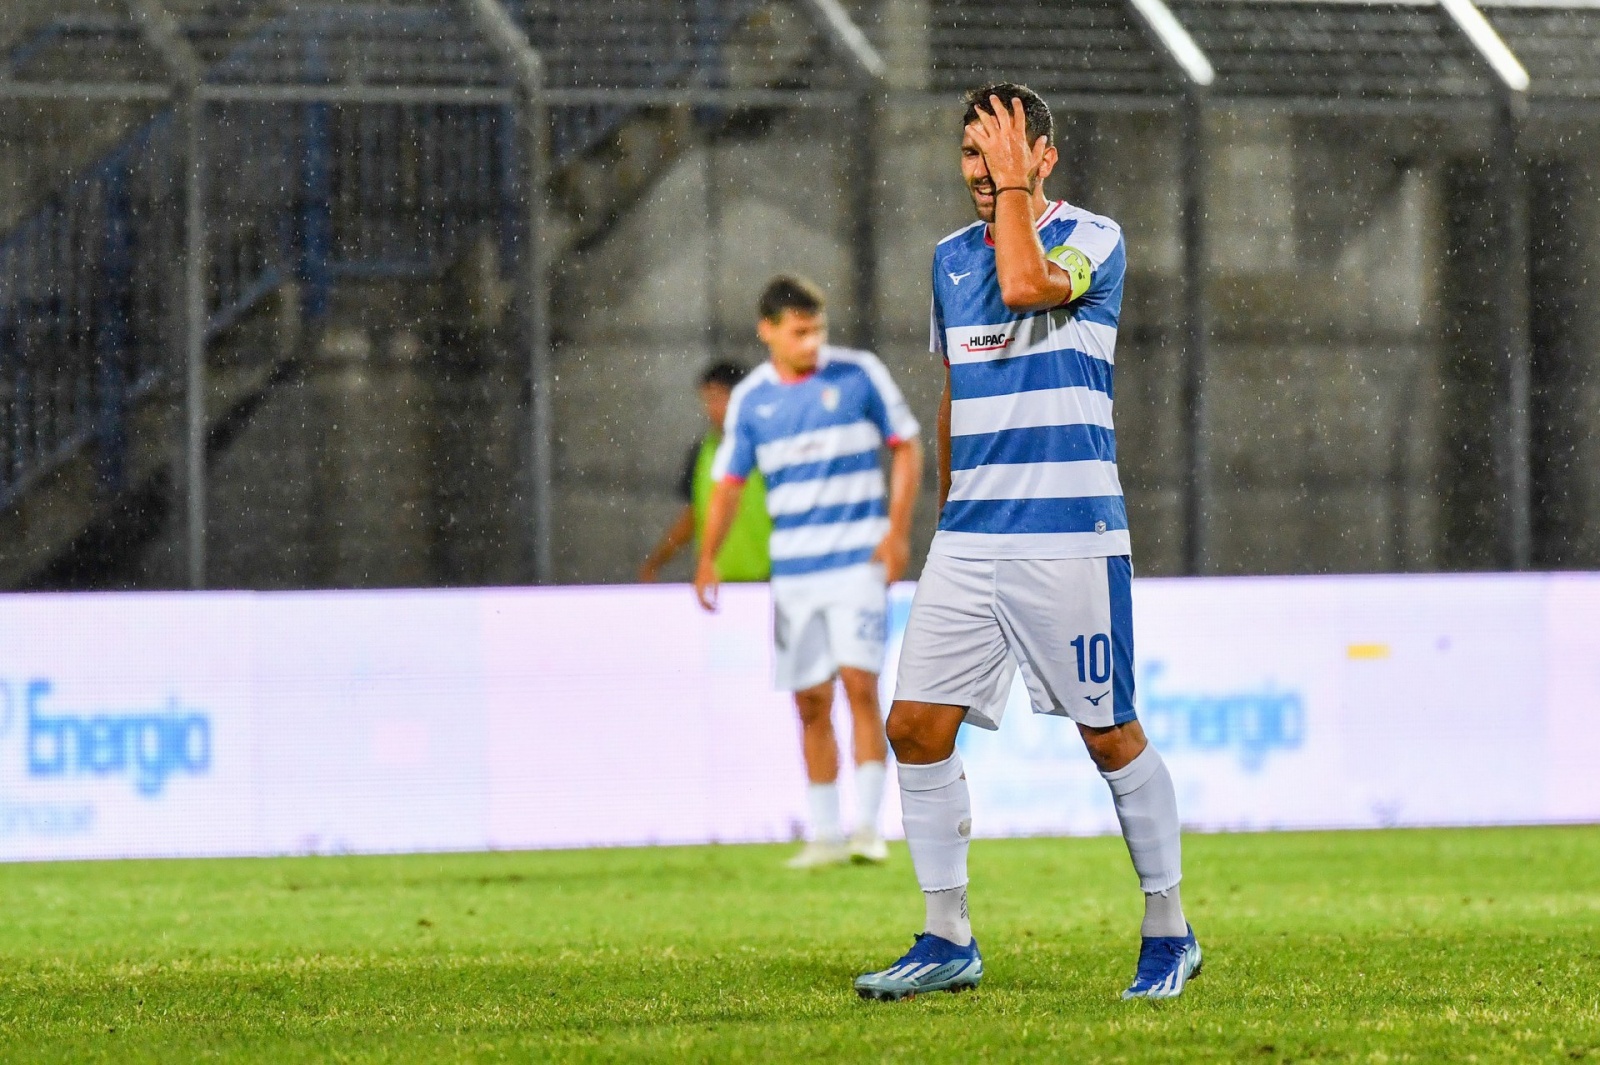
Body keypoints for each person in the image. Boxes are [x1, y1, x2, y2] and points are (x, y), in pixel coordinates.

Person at [853, 84, 1200, 1002]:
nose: (981, 171)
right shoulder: (945, 259)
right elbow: (955, 388)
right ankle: (946, 935)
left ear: (1042, 156)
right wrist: (948, 509)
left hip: (1070, 535)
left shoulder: (1094, 236)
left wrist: (1013, 196)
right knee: (914, 727)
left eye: (1000, 152)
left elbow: (1025, 285)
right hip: (971, 536)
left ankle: (1169, 926)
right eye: (970, 154)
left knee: (1110, 735)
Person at [694, 276, 923, 869]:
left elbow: (906, 443)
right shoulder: (753, 401)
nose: (812, 342)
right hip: (794, 575)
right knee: (811, 701)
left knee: (860, 688)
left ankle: (869, 829)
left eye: (818, 329)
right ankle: (824, 833)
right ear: (767, 331)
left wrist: (895, 533)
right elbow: (728, 486)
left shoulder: (857, 374)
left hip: (857, 563)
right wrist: (707, 556)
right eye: (799, 332)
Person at [639, 362, 773, 585]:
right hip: (718, 582)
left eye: (719, 399)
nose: (712, 408)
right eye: (708, 400)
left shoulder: (766, 449)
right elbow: (693, 516)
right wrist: (658, 559)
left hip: (767, 580)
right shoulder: (702, 452)